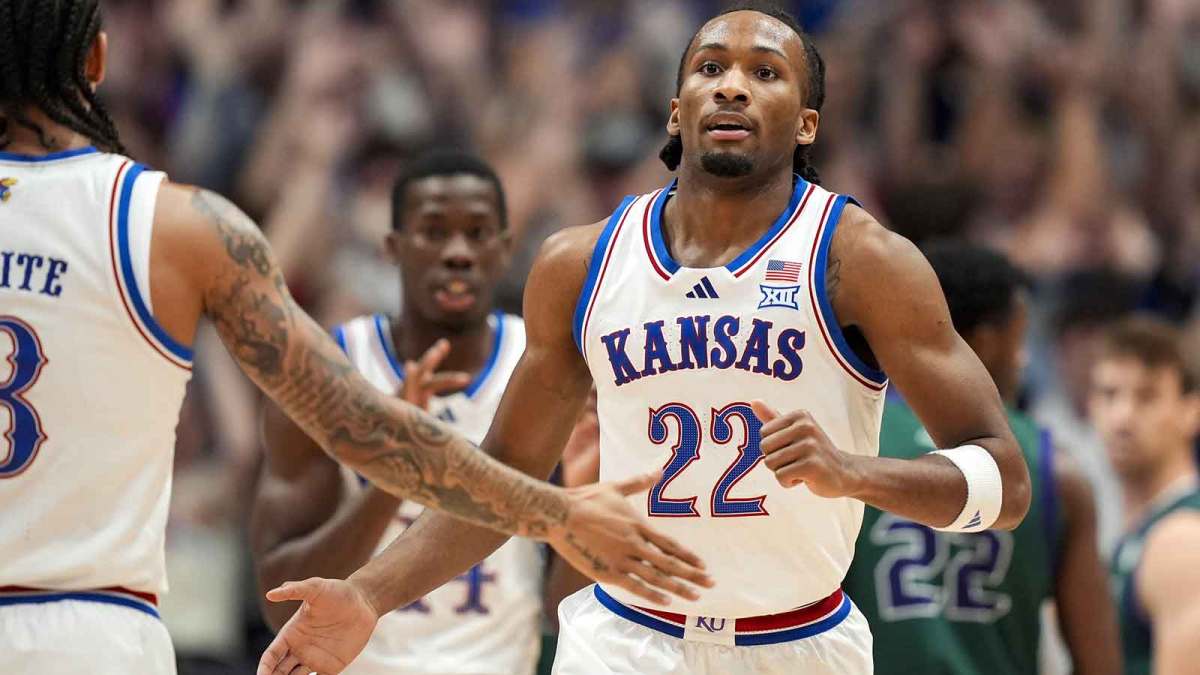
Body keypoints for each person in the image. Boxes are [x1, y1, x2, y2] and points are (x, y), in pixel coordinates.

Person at [259, 4, 1030, 674]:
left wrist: (855, 472)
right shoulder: (581, 262)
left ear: (806, 123)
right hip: (625, 642)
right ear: (676, 108)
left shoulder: (861, 260)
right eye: (710, 67)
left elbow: (1005, 482)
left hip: (799, 641)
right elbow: (505, 475)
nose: (731, 84)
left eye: (766, 72)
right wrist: (369, 592)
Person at [0, 3, 708, 672]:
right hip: (89, 628)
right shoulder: (177, 227)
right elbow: (370, 430)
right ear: (97, 59)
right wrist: (555, 509)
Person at [251, 151, 549, 674]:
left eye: (478, 234)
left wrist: (587, 472)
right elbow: (282, 603)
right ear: (392, 247)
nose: (458, 253)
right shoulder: (326, 375)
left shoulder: (545, 370)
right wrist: (392, 471)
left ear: (504, 249)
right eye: (433, 232)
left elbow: (569, 598)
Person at [841, 243, 1120, 675]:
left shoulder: (851, 442)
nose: (1024, 361)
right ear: (987, 344)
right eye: (1020, 341)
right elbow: (1098, 663)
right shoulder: (1057, 471)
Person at [1090, 317, 1200, 675]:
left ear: (1191, 410)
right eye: (1110, 395)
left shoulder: (1182, 538)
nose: (1123, 417)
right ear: (1091, 406)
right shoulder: (1138, 533)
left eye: (1147, 396)